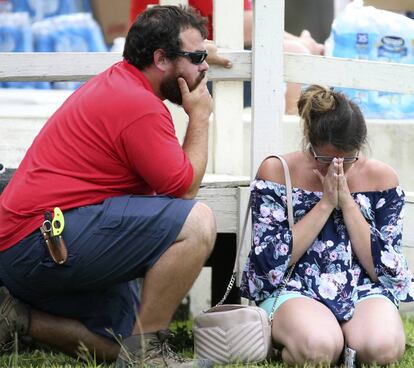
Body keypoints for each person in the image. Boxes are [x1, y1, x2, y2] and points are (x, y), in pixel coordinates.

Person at [0, 5, 216, 368]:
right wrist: (200, 116)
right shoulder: (139, 106)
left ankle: (15, 318)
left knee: (120, 336)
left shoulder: (123, 80)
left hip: (28, 244)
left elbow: (187, 54)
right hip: (39, 240)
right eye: (197, 58)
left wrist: (197, 55)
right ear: (161, 59)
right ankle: (148, 355)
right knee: (198, 224)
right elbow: (183, 190)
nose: (205, 67)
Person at [240, 85, 414, 366]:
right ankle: (327, 341)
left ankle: (348, 342)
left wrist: (346, 202)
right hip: (294, 286)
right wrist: (324, 205)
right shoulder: (276, 172)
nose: (337, 167)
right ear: (310, 139)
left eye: (347, 159)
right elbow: (266, 267)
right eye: (325, 158)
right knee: (317, 348)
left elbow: (388, 273)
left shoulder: (382, 179)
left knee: (382, 349)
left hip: (362, 287)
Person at [129, 0, 324, 114]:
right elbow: (241, 24)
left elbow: (248, 23)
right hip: (178, 71)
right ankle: (291, 124)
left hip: (193, 67)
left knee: (293, 51)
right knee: (294, 51)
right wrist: (302, 43)